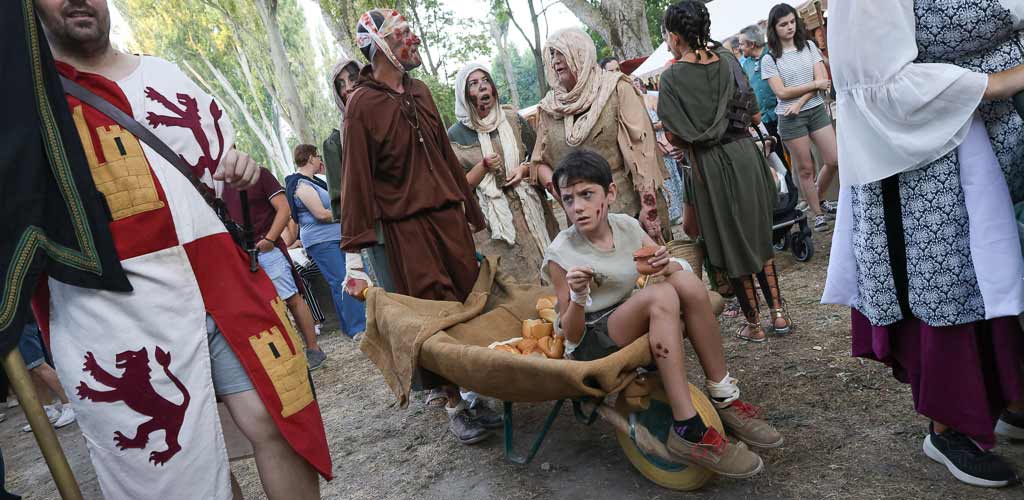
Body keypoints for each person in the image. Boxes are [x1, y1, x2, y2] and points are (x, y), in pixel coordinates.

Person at [33, 1, 331, 498]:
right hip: (121, 310)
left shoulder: (165, 74)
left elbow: (215, 163)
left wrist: (237, 165)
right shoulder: (32, 104)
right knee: (186, 465)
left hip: (223, 277)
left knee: (276, 417)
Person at [823, 0, 1024, 488]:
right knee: (951, 290)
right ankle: (949, 426)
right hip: (923, 161)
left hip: (988, 137)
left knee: (997, 279)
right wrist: (1000, 80)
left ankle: (1010, 398)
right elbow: (879, 83)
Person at [544, 148, 782, 477]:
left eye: (587, 194)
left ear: (610, 192)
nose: (578, 207)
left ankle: (723, 396)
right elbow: (570, 335)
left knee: (682, 279)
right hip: (592, 338)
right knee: (661, 295)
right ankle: (688, 429)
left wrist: (664, 261)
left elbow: (663, 265)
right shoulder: (561, 252)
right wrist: (577, 294)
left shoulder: (626, 226)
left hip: (628, 314)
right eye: (568, 199)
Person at [341, 8, 494, 444]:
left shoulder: (422, 91)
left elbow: (446, 158)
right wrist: (353, 260)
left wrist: (471, 212)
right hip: (408, 230)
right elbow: (356, 182)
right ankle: (454, 403)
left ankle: (476, 388)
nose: (414, 40)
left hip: (448, 219)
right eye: (404, 34)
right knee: (432, 312)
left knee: (468, 299)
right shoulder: (361, 105)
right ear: (381, 45)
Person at [658, 0, 792, 343]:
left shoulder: (672, 77)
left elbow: (672, 133)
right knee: (758, 234)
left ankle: (754, 323)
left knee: (730, 241)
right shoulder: (731, 60)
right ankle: (778, 314)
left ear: (674, 37)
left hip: (708, 166)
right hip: (744, 155)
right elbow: (754, 114)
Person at [532, 27, 671, 243]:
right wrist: (566, 198)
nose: (556, 61)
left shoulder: (616, 88)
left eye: (561, 53)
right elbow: (539, 162)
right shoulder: (550, 108)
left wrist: (648, 207)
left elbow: (642, 150)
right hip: (583, 223)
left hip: (630, 212)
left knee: (649, 274)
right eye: (552, 55)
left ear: (581, 53)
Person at [448, 63, 560, 284]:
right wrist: (483, 167)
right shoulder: (455, 136)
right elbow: (456, 187)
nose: (482, 87)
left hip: (531, 208)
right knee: (513, 284)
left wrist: (524, 169)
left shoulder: (511, 118)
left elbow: (540, 156)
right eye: (473, 84)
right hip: (492, 224)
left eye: (485, 80)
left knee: (552, 271)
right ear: (463, 94)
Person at [222, 167, 327, 369]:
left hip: (266, 250)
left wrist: (270, 239)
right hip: (240, 255)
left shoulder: (258, 174)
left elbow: (284, 208)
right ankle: (288, 354)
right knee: (262, 307)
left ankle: (313, 349)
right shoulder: (216, 185)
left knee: (291, 298)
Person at [761, 3, 838, 232]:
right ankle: (817, 213)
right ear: (774, 28)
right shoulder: (770, 58)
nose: (790, 27)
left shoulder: (809, 46)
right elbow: (782, 92)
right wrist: (814, 85)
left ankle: (818, 196)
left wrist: (802, 100)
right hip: (790, 118)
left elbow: (823, 79)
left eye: (792, 22)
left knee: (834, 159)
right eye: (783, 24)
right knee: (805, 168)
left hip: (813, 109)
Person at [286, 145, 367, 340]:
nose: (320, 160)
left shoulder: (314, 181)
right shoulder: (301, 185)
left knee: (345, 279)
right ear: (310, 158)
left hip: (335, 237)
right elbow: (321, 214)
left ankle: (351, 326)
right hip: (321, 241)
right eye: (317, 157)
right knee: (342, 280)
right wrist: (346, 215)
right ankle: (357, 328)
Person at [632, 76, 685, 225]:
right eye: (633, 84)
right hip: (649, 147)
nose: (635, 86)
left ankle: (681, 209)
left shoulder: (651, 99)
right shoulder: (633, 104)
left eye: (637, 84)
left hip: (663, 142)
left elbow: (665, 119)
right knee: (662, 181)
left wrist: (653, 126)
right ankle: (671, 212)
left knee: (673, 176)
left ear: (642, 86)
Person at [738, 24, 785, 163]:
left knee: (795, 152)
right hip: (764, 120)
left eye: (741, 44)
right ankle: (790, 184)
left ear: (752, 44)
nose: (739, 47)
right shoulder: (745, 65)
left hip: (783, 113)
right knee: (778, 157)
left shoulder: (773, 55)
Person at [17, 320, 75, 432]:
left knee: (37, 364)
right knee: (32, 368)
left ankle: (70, 403)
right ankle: (49, 409)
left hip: (16, 321)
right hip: (15, 323)